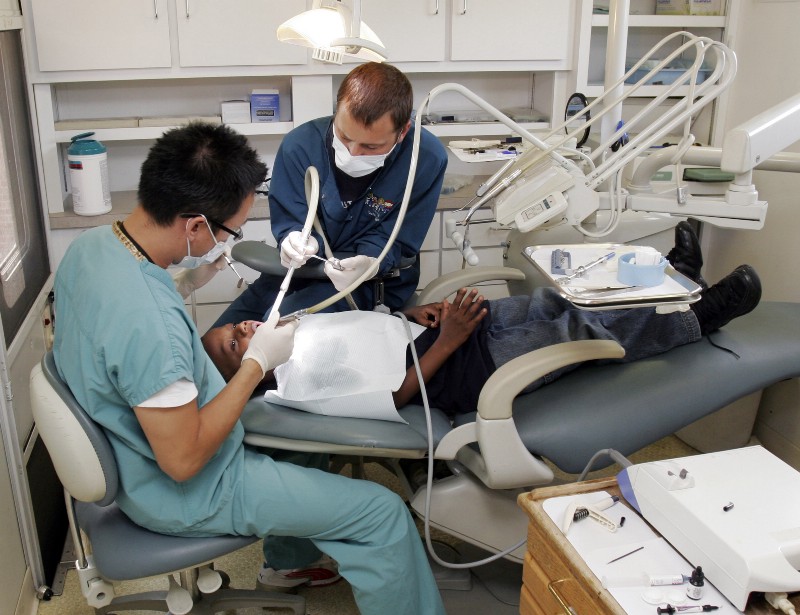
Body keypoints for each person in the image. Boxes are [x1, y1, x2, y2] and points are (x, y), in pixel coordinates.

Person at [52, 122, 446, 615]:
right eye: (229, 231)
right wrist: (256, 365)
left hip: (133, 451)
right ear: (195, 225)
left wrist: (188, 280)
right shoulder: (153, 330)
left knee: (303, 446)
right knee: (381, 514)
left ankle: (288, 564)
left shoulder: (93, 248)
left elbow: (116, 324)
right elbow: (184, 460)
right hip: (188, 489)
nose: (228, 240)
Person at [202, 222, 762, 417]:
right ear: (245, 372)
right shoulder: (294, 384)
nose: (245, 327)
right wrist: (447, 341)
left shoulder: (293, 335)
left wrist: (410, 314)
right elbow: (394, 394)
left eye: (234, 326)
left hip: (438, 330)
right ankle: (700, 318)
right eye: (235, 343)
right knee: (572, 332)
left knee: (556, 301)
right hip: (465, 371)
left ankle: (675, 279)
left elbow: (369, 331)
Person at [213, 62, 448, 327]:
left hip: (372, 284)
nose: (353, 153)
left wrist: (370, 261)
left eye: (371, 146)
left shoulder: (424, 158)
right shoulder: (300, 146)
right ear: (337, 112)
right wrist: (295, 239)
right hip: (296, 275)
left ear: (402, 131)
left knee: (273, 329)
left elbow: (400, 239)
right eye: (345, 136)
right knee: (215, 342)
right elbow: (291, 219)